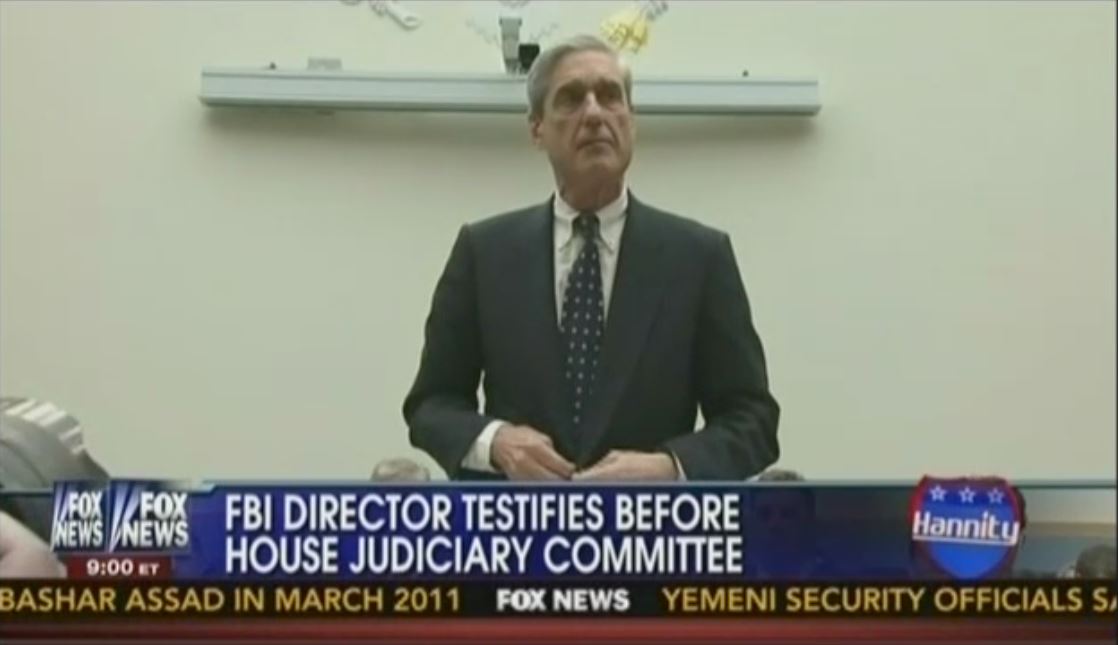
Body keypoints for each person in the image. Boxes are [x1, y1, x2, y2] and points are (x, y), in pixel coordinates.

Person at [403, 35, 779, 481]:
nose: (595, 113)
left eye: (610, 96)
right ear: (537, 129)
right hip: (517, 521)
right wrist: (496, 442)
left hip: (650, 524)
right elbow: (432, 405)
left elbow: (752, 420)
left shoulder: (698, 258)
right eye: (571, 98)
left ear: (631, 121)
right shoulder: (484, 253)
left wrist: (669, 468)